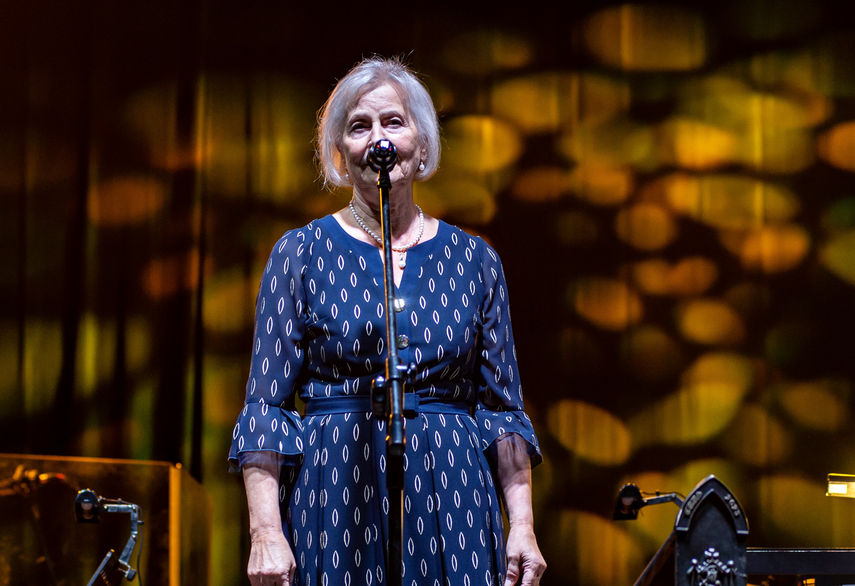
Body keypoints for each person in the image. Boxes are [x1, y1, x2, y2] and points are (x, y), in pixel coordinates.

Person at [229, 56, 546, 586]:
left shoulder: (475, 260)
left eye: (393, 122)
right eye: (359, 126)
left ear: (422, 145)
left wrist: (524, 527)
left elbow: (503, 411)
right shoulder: (300, 254)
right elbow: (265, 408)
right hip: (335, 490)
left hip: (454, 491)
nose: (378, 138)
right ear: (341, 153)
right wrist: (265, 533)